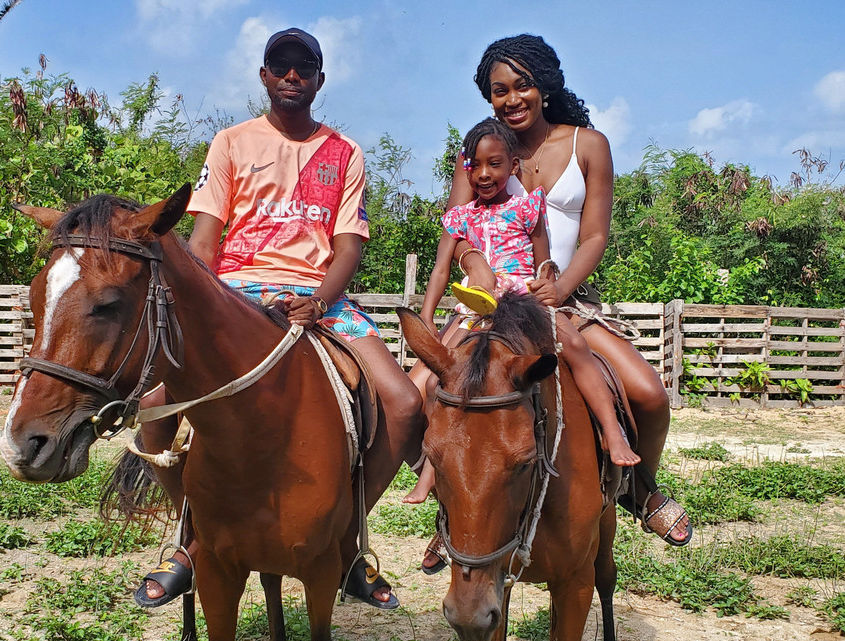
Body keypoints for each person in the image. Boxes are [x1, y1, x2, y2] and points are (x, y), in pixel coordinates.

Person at [134, 27, 423, 609]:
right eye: (281, 65)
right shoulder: (231, 142)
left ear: (319, 79)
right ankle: (190, 535)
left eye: (304, 67)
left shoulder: (345, 152)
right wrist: (209, 302)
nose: (293, 75)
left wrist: (318, 300)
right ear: (264, 76)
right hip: (236, 290)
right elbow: (205, 241)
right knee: (153, 409)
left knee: (404, 403)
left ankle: (347, 538)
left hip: (320, 297)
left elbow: (348, 248)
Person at [415, 34, 691, 573]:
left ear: (545, 84)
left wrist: (560, 288)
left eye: (522, 85)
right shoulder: (479, 153)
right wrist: (474, 264)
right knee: (416, 395)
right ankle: (455, 509)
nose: (512, 98)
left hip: (562, 300)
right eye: (499, 90)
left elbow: (594, 236)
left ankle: (640, 487)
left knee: (649, 393)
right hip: (487, 304)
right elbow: (457, 232)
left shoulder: (589, 144)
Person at [404, 117, 639, 505]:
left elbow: (544, 261)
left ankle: (612, 430)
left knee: (575, 347)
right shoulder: (460, 217)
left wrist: (549, 283)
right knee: (435, 381)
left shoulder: (528, 208)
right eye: (476, 166)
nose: (484, 174)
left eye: (494, 164)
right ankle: (433, 467)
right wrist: (427, 316)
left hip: (524, 303)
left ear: (513, 167)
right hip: (477, 310)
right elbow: (441, 269)